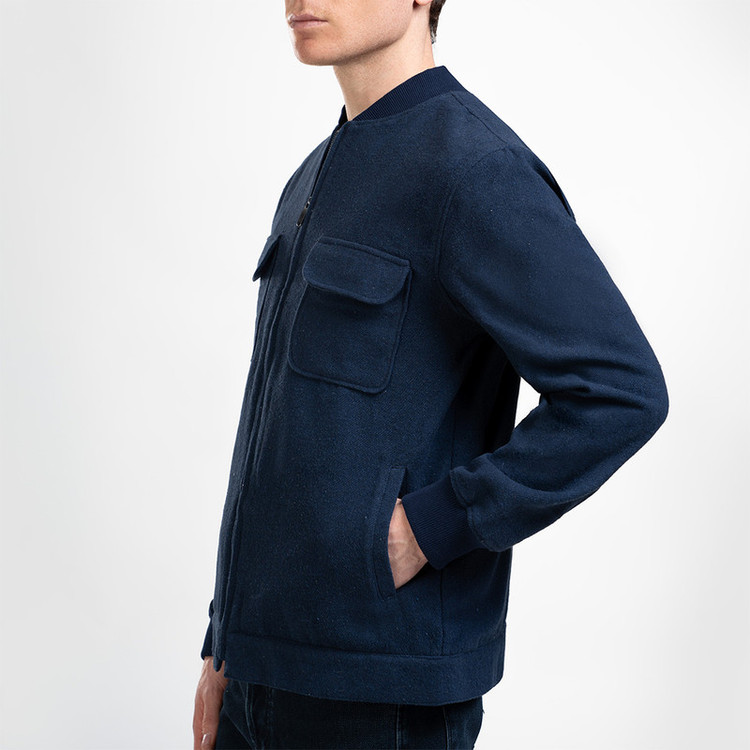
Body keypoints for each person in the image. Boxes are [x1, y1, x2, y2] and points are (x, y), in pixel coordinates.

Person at [193, 1, 669, 748]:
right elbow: (275, 429)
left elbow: (620, 391)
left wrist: (431, 525)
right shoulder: (313, 174)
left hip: (378, 697)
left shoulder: (475, 169)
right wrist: (223, 641)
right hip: (257, 673)